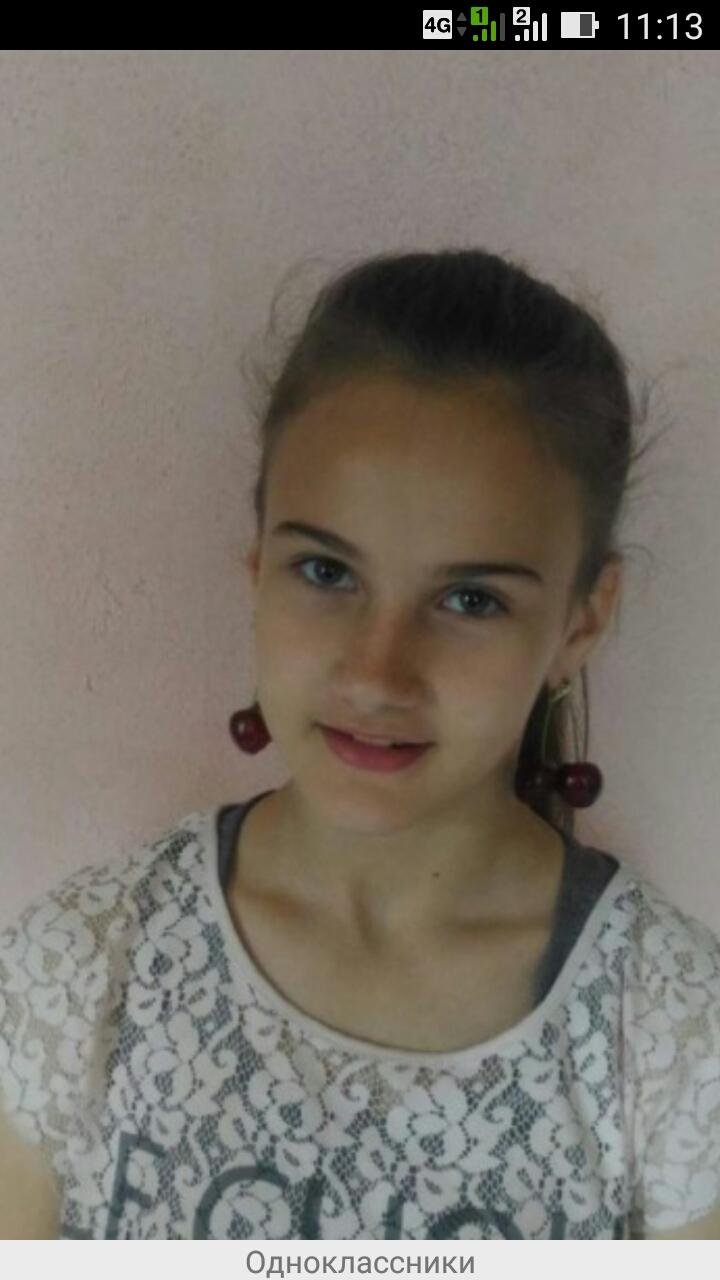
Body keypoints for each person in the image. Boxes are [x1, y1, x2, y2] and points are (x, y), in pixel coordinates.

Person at [1, 248, 719, 1241]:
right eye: (327, 572)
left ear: (581, 622)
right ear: (258, 566)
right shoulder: (79, 975)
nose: (379, 674)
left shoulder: (672, 1038)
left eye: (471, 599)